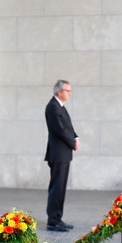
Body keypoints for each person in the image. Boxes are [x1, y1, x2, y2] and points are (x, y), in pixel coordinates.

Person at [44, 79, 79, 231]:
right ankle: (52, 221)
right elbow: (60, 130)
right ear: (59, 92)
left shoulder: (60, 106)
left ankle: (58, 218)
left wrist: (75, 137)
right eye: (67, 91)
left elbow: (68, 127)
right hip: (58, 154)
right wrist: (73, 142)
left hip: (64, 154)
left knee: (61, 188)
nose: (70, 93)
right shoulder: (52, 107)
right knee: (56, 188)